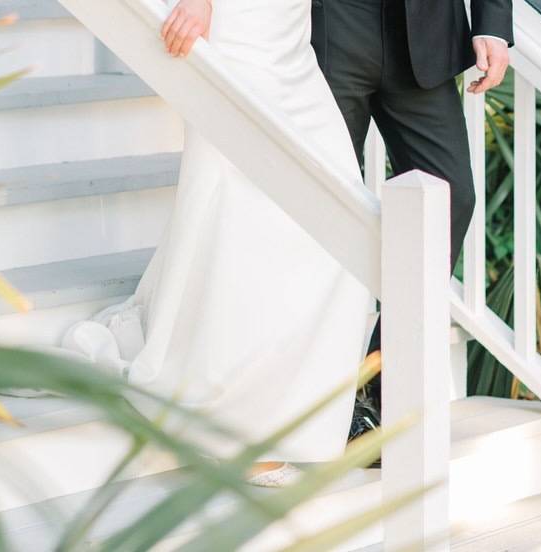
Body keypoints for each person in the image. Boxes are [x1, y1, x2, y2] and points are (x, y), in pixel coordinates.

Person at [60, 0, 372, 487]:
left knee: (334, 215)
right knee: (241, 216)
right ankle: (239, 430)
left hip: (292, 37)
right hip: (236, 31)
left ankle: (286, 405)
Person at [311, 0, 513, 360]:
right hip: (334, 24)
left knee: (451, 196)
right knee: (322, 203)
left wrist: (492, 25)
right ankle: (318, 379)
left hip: (424, 39)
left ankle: (378, 380)